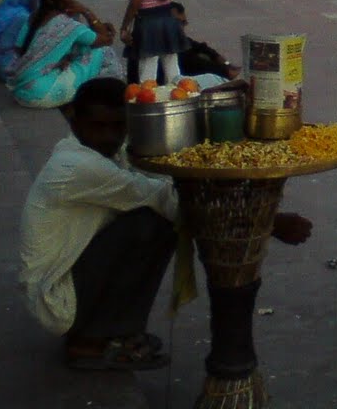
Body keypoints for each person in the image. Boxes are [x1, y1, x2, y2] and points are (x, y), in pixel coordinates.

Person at [19, 77, 312, 372]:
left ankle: (114, 329)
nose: (109, 136)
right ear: (73, 119)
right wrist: (269, 222)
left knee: (155, 221)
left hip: (78, 271)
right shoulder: (76, 166)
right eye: (98, 127)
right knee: (152, 224)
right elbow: (165, 199)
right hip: (56, 297)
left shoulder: (101, 150)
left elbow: (158, 176)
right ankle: (90, 342)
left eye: (117, 126)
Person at [9, 0, 124, 108]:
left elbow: (19, 49)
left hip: (21, 92)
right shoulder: (67, 25)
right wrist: (86, 11)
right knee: (102, 51)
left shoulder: (33, 17)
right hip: (42, 95)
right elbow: (106, 39)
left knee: (79, 47)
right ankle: (107, 94)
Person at [125, 1, 241, 84]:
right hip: (156, 91)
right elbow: (193, 62)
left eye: (183, 23)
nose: (180, 28)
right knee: (211, 78)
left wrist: (226, 63)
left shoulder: (176, 40)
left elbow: (202, 48)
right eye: (177, 23)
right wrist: (226, 71)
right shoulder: (157, 43)